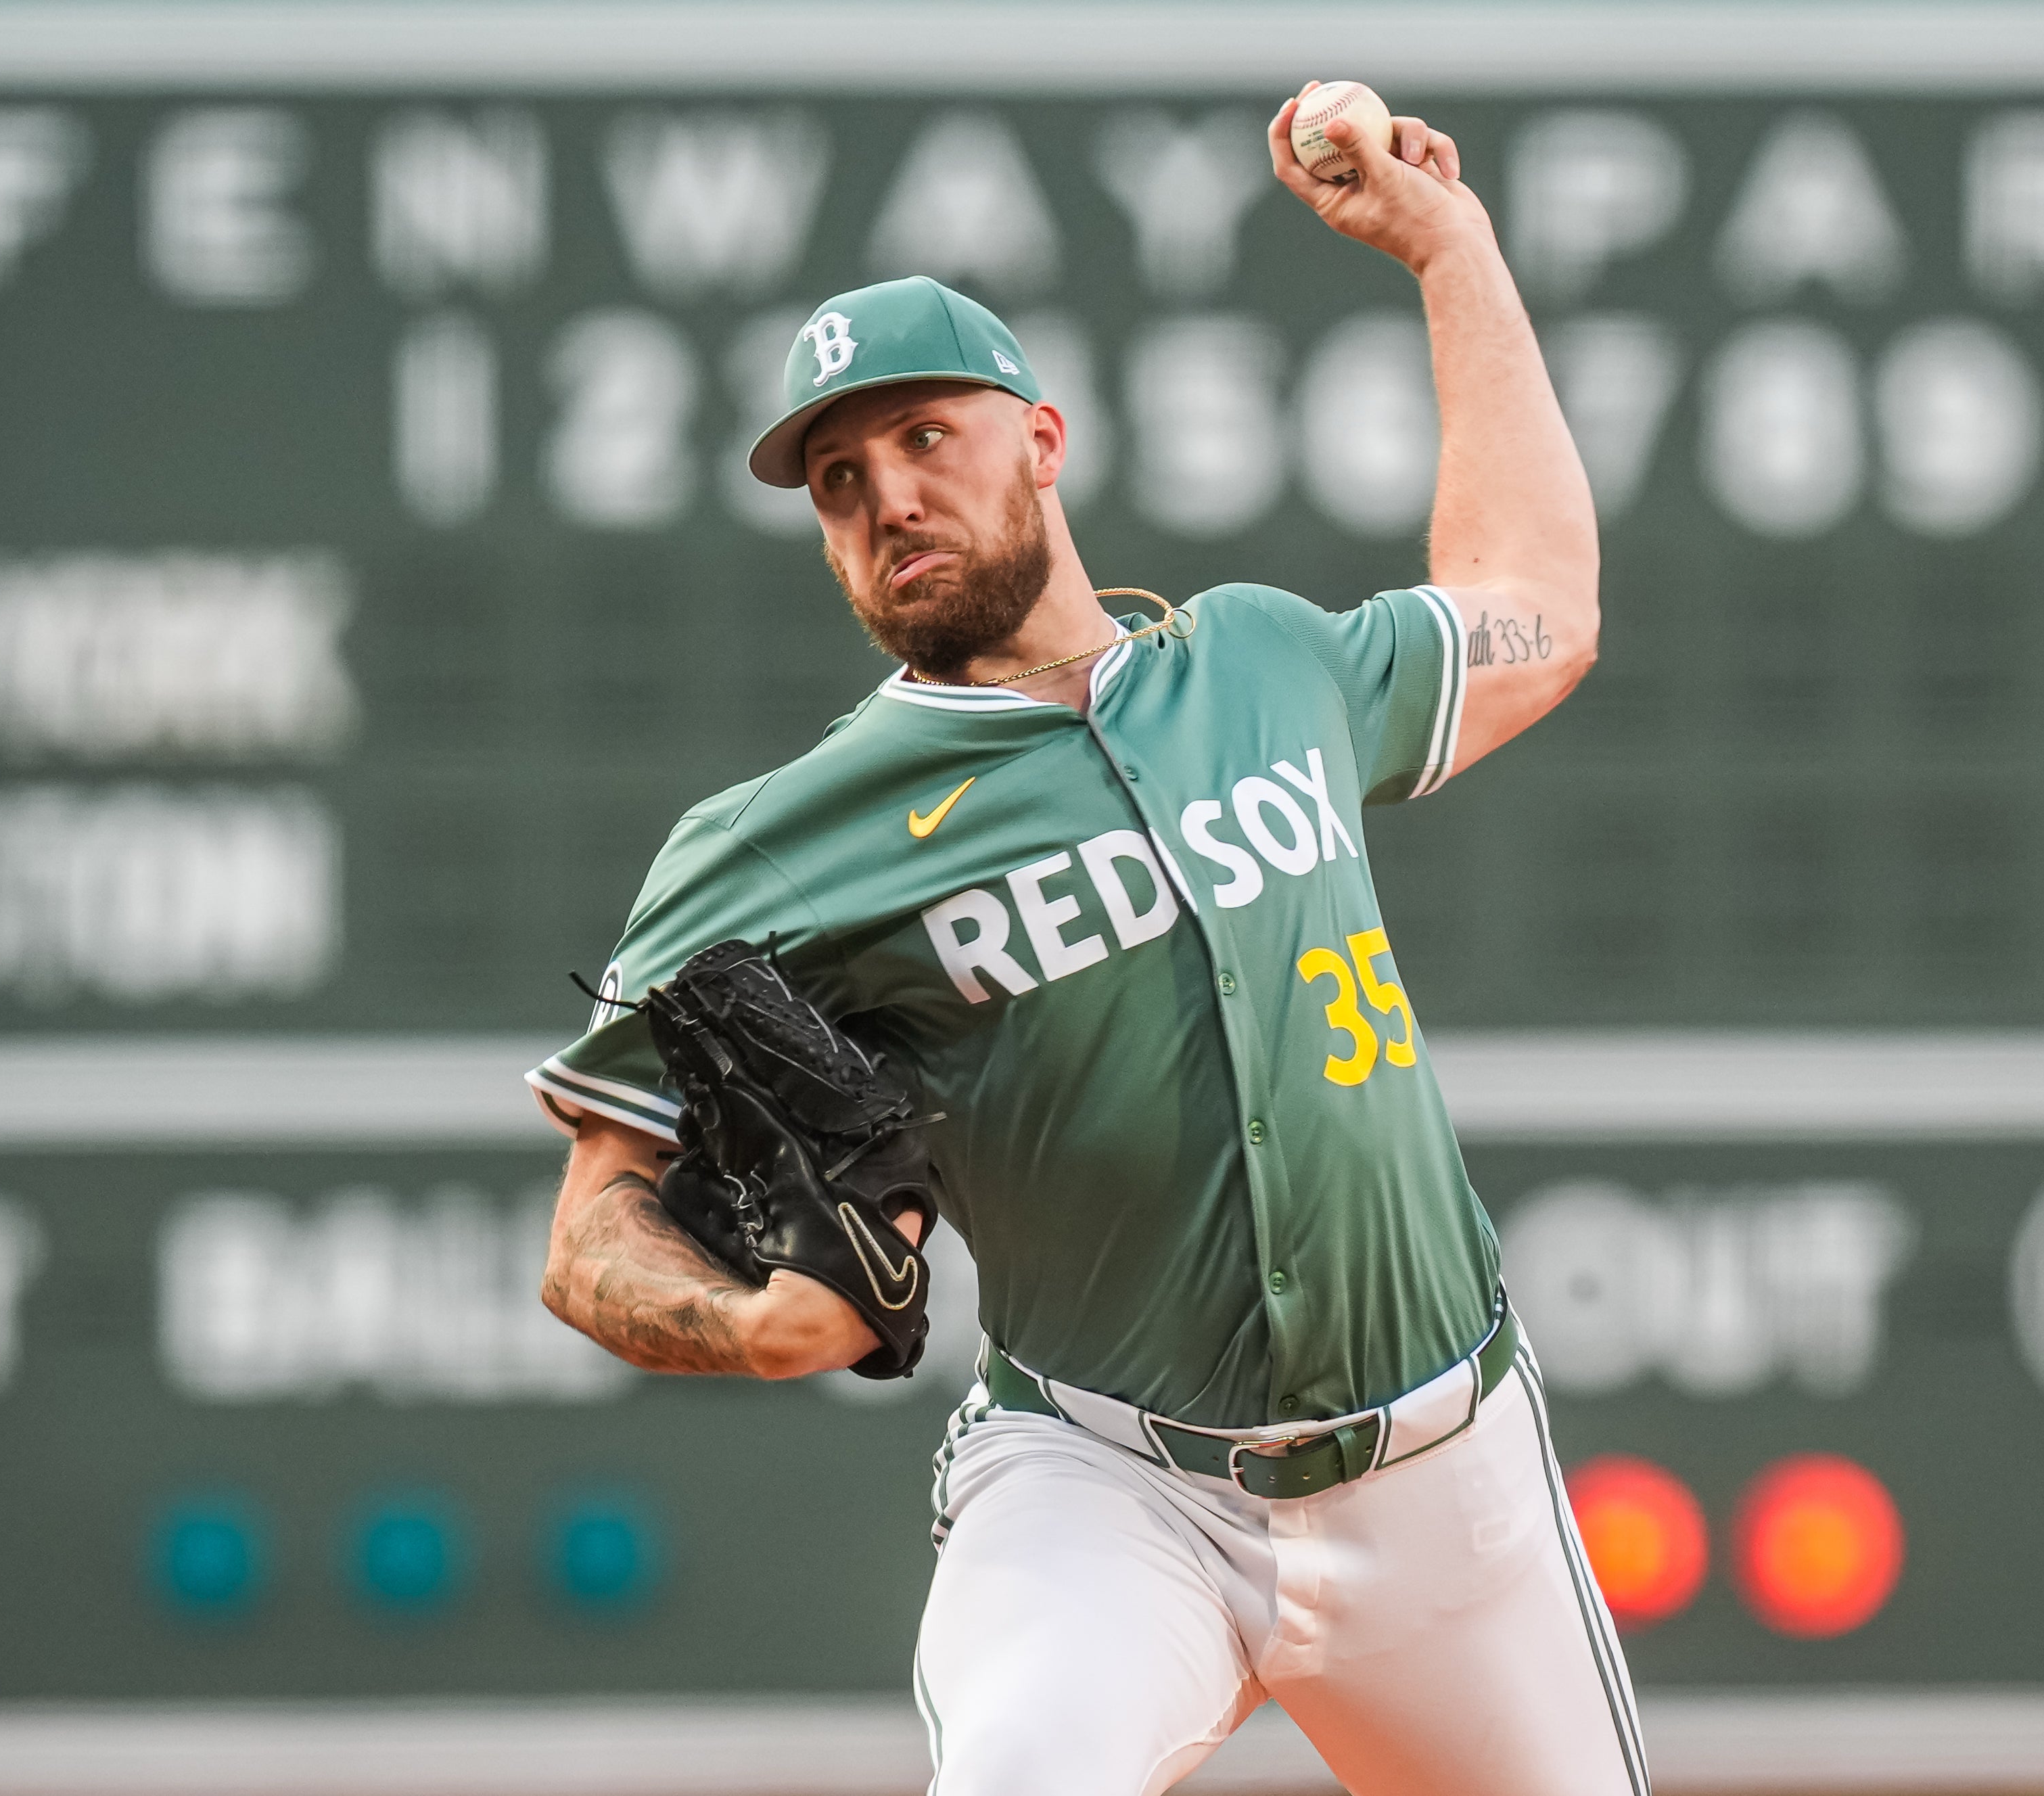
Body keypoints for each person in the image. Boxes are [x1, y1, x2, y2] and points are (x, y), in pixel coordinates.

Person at [533, 87, 1642, 1796]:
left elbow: (1542, 606)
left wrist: (1451, 248)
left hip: (1450, 1474)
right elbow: (592, 1219)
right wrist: (742, 1318)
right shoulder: (771, 846)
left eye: (924, 441)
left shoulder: (1267, 662)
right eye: (838, 481)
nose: (883, 495)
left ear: (1042, 442)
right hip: (1110, 1490)